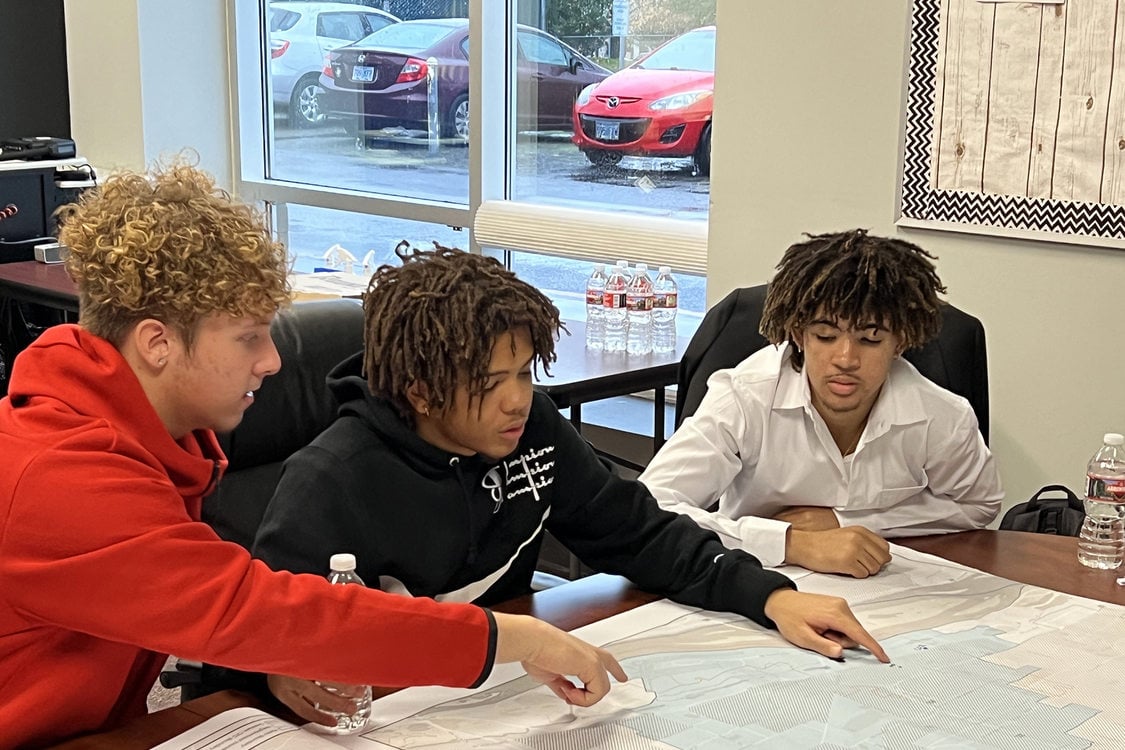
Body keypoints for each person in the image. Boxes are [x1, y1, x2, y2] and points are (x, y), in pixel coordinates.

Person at [0, 164, 626, 748]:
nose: (272, 361)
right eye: (248, 337)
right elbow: (254, 612)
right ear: (158, 343)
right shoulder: (59, 476)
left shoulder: (135, 441)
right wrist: (510, 638)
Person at [247, 243, 889, 725]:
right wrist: (276, 677)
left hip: (500, 690)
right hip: (383, 710)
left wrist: (767, 596)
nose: (518, 401)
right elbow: (244, 638)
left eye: (525, 373)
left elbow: (637, 531)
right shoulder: (332, 478)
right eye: (491, 382)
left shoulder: (533, 431)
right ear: (419, 390)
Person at [639, 229, 1003, 579]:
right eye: (825, 336)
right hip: (755, 578)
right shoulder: (745, 396)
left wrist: (844, 521)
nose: (845, 358)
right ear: (798, 334)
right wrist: (794, 544)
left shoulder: (940, 415)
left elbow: (979, 504)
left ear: (901, 342)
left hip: (887, 587)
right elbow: (650, 508)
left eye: (870, 339)